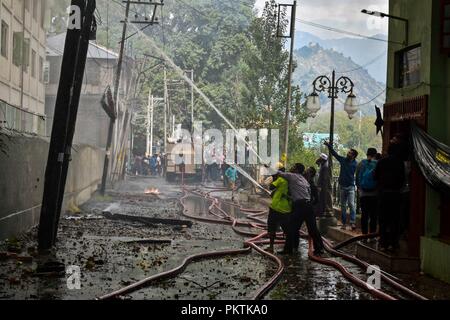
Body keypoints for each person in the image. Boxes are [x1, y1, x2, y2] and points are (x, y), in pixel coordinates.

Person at [278, 163, 324, 256]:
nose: (291, 167)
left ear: (297, 170)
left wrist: (267, 166)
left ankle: (288, 249)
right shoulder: (304, 180)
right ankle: (319, 249)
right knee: (312, 229)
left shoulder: (293, 176)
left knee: (291, 228)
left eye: (293, 167)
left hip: (299, 206)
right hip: (308, 206)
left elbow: (278, 173)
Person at [374, 144, 405, 252]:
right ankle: (393, 243)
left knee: (383, 220)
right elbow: (403, 179)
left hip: (383, 195)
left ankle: (383, 243)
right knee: (395, 220)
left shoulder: (381, 162)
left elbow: (375, 177)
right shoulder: (400, 163)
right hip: (396, 195)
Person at [325, 142, 359, 231]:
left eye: (350, 153)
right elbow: (335, 154)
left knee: (351, 204)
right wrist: (329, 146)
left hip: (351, 186)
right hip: (342, 186)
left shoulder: (356, 164)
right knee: (343, 206)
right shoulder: (343, 160)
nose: (348, 153)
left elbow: (358, 174)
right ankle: (344, 223)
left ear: (354, 156)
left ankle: (352, 222)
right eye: (348, 152)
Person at [266, 167, 292, 253]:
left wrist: (273, 179)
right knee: (287, 229)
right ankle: (289, 248)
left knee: (272, 227)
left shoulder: (281, 179)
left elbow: (271, 187)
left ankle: (271, 247)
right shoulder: (292, 182)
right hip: (287, 209)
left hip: (276, 208)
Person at [356, 148, 379, 236]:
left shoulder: (361, 163)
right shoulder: (377, 163)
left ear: (367, 154)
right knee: (373, 215)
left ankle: (364, 235)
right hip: (374, 194)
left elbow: (357, 177)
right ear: (375, 154)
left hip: (363, 194)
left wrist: (360, 189)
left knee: (364, 215)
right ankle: (372, 235)